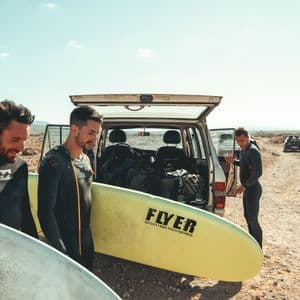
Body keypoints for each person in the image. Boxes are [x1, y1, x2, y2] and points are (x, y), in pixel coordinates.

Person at [38, 105, 102, 270]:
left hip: (87, 242)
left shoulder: (86, 159)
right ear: (74, 129)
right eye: (90, 132)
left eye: (96, 133)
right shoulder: (54, 162)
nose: (94, 139)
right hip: (67, 246)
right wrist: (60, 251)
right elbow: (45, 213)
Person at [0, 100, 38, 238]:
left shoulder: (20, 167)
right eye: (15, 139)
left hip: (11, 254)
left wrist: (35, 249)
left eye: (24, 140)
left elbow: (25, 213)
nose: (21, 148)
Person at [225, 127, 263, 248]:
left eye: (241, 140)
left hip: (253, 189)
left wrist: (244, 185)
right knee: (247, 216)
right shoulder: (244, 150)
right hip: (248, 189)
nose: (239, 143)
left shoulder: (253, 150)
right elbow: (245, 164)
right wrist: (234, 161)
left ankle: (258, 248)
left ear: (247, 137)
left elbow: (258, 172)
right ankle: (253, 245)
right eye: (237, 141)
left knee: (252, 219)